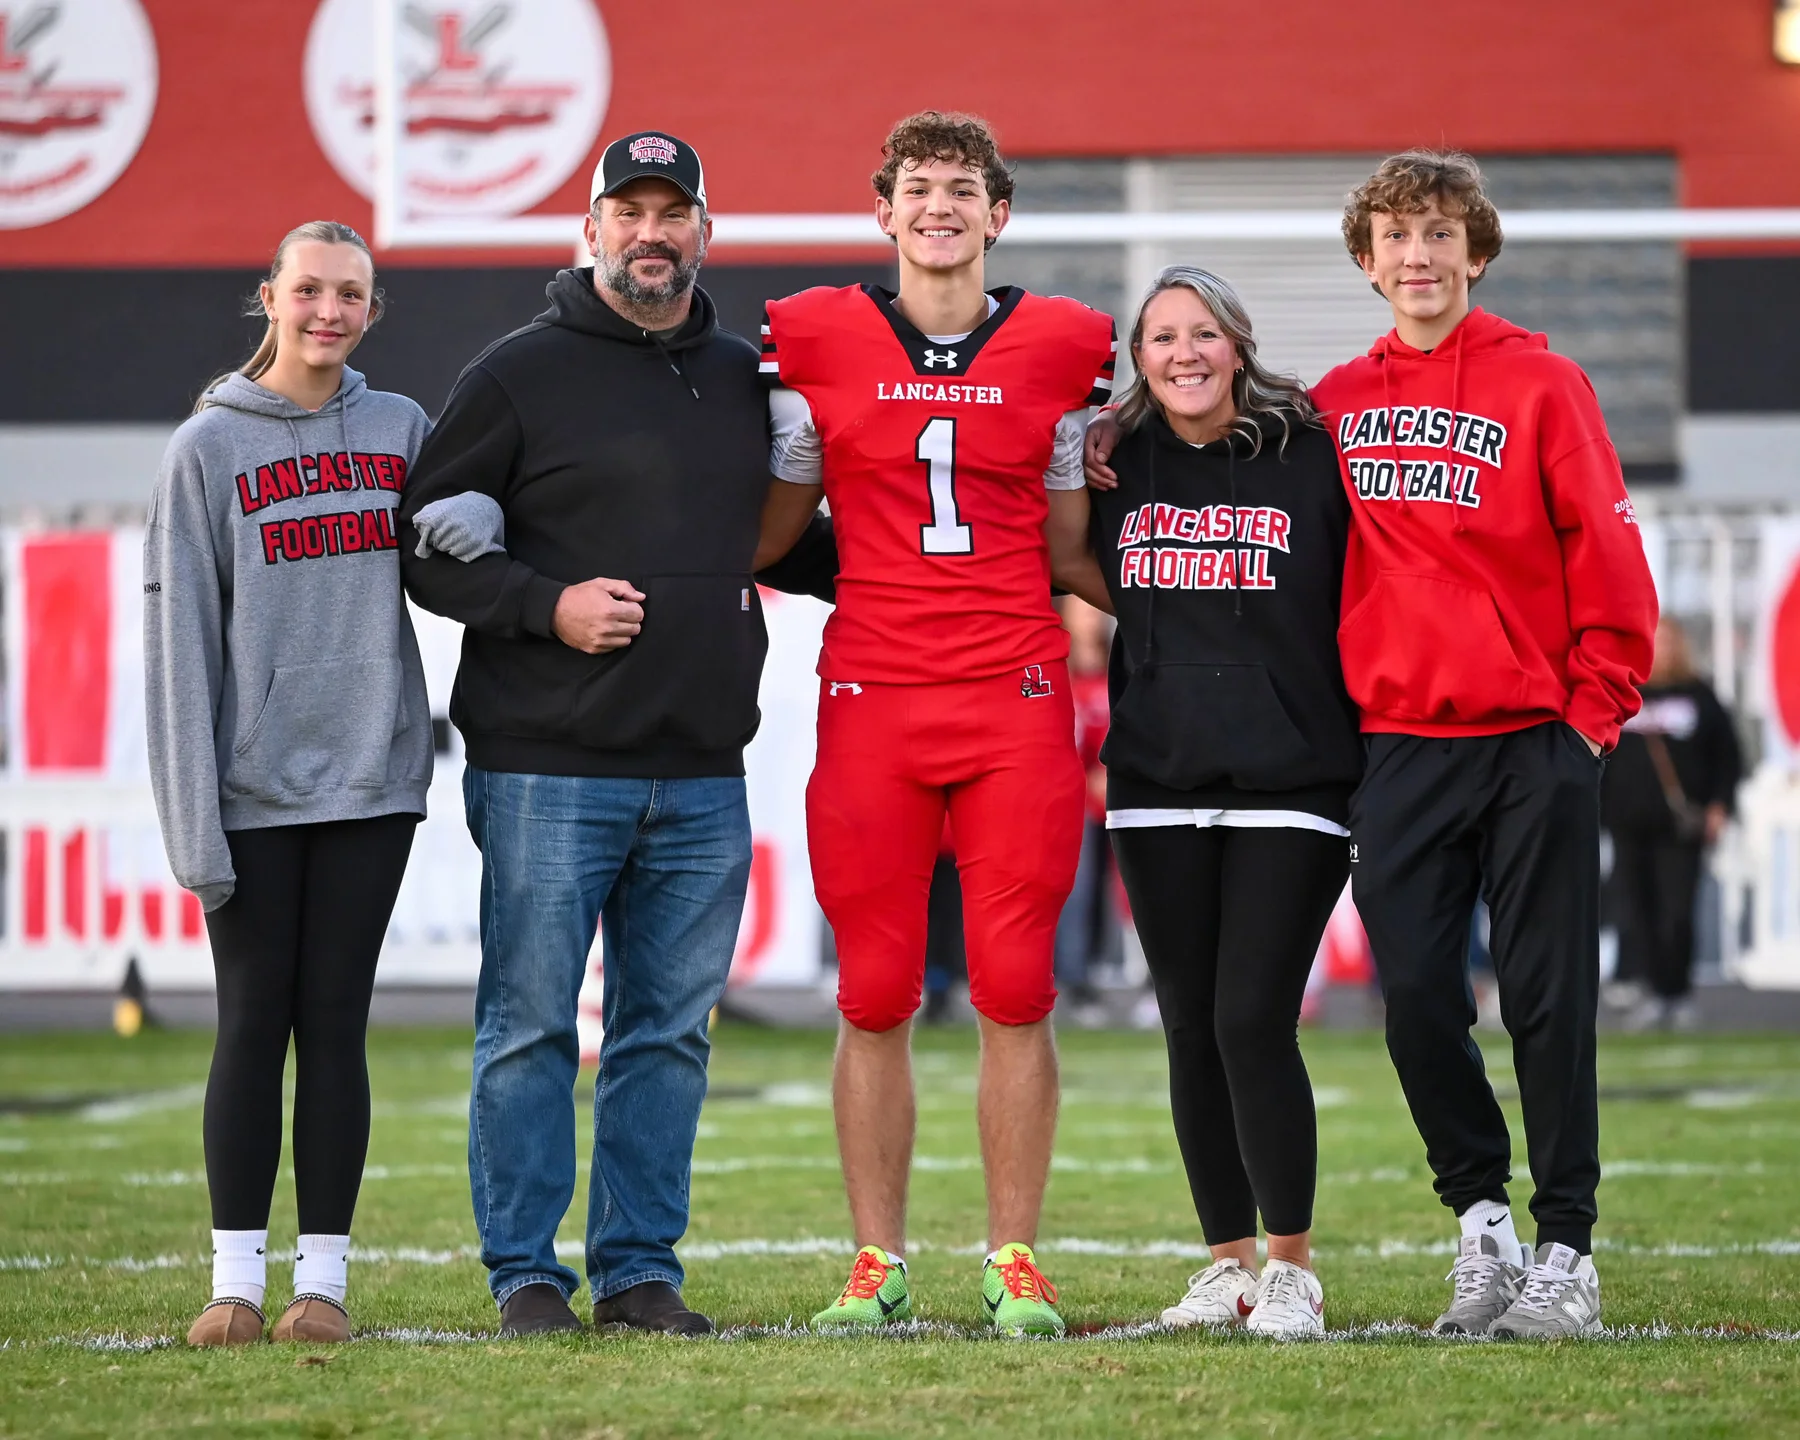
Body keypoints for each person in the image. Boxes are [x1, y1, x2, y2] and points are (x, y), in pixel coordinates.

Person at [1087, 151, 1657, 1339]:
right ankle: (1482, 1228)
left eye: (1441, 234)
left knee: (1549, 1003)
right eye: (1397, 236)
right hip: (1395, 748)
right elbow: (1204, 450)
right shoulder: (1334, 405)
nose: (1419, 255)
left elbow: (1608, 555)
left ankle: (1566, 1250)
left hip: (1535, 738)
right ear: (1366, 262)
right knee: (1415, 1005)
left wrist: (1590, 715)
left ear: (1477, 252)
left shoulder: (1546, 385)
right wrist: (1095, 444)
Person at [397, 131, 831, 1339]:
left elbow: (790, 544)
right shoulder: (517, 373)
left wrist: (949, 559)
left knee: (666, 1038)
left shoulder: (745, 378)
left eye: (672, 212)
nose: (652, 233)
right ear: (591, 230)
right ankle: (526, 1277)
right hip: (547, 767)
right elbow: (426, 545)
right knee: (532, 1025)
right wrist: (548, 606)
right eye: (628, 212)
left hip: (700, 769)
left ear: (706, 231)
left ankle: (640, 1269)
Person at [755, 111, 1117, 1335]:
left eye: (963, 188)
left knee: (1017, 986)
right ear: (885, 210)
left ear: (998, 213)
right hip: (873, 697)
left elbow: (1074, 551)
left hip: (1014, 694)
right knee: (873, 991)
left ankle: (1013, 1258)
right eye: (919, 187)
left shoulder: (1066, 345)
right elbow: (767, 533)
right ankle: (879, 1262)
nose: (940, 206)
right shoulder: (816, 337)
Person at [144, 221, 432, 1347]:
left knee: (337, 1027)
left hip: (373, 781)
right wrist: (193, 823)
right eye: (308, 289)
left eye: (350, 294)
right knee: (252, 1026)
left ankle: (325, 1289)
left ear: (371, 308)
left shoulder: (403, 428)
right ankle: (235, 1287)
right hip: (253, 793)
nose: (328, 310)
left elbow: (461, 558)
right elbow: (179, 649)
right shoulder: (204, 449)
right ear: (268, 295)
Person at [1078, 266, 1360, 1337]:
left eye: (1204, 334)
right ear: (1137, 360)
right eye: (1161, 338)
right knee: (1191, 1028)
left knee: (1253, 1019)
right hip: (1156, 778)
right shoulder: (1119, 462)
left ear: (1237, 344)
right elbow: (1080, 557)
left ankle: (1291, 1269)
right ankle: (1226, 1266)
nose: (1184, 353)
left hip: (1295, 778)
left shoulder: (1311, 451)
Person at [1603, 616, 1741, 1030]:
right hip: (1627, 822)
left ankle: (1677, 992)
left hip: (1680, 826)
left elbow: (1727, 755)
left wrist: (1719, 805)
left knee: (1676, 912)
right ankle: (1654, 991)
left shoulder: (1700, 696)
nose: (1660, 649)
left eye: (1667, 642)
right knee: (1637, 910)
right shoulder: (1621, 693)